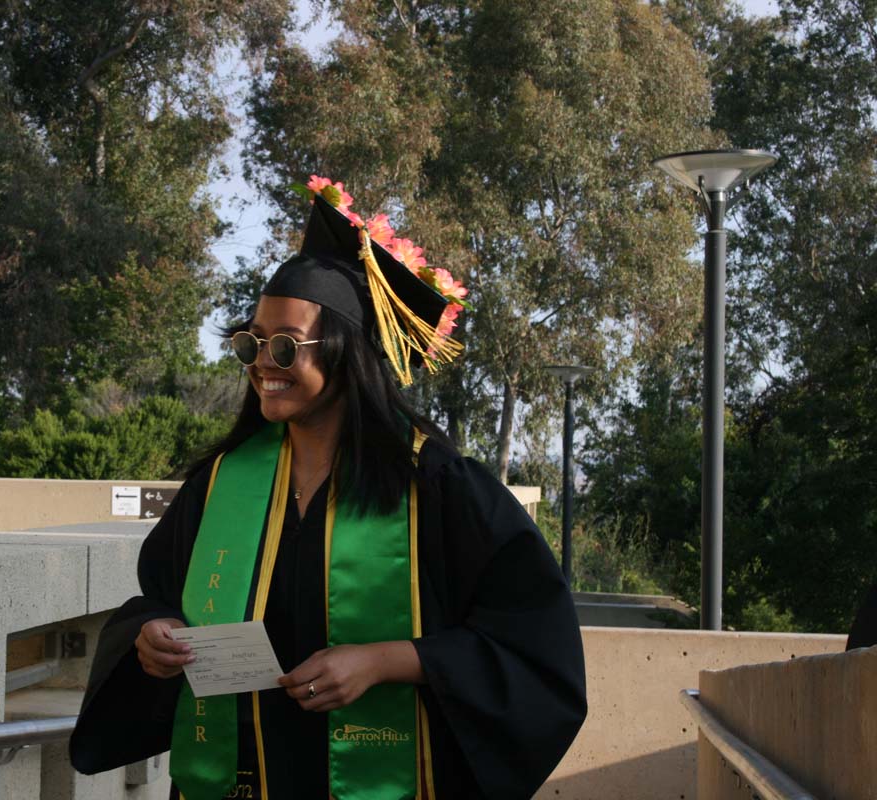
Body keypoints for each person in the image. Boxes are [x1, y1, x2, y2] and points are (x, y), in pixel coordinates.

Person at [69, 177, 587, 799]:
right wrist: (151, 637)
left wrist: (386, 660)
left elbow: (533, 642)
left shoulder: (438, 486)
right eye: (251, 343)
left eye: (285, 347)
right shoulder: (223, 482)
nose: (263, 362)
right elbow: (158, 596)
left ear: (348, 356)